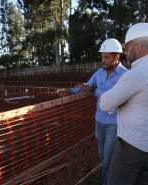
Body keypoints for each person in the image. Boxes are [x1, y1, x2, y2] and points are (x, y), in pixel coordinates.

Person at [57, 38, 128, 185]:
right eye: (102, 57)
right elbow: (86, 86)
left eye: (107, 57)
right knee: (103, 156)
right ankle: (107, 180)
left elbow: (116, 98)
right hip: (99, 121)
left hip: (114, 123)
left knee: (108, 159)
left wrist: (94, 90)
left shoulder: (125, 75)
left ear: (117, 57)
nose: (103, 60)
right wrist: (70, 91)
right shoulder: (99, 73)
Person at [100, 23, 148, 185]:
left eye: (127, 48)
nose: (126, 52)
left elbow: (105, 104)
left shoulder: (137, 74)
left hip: (131, 143)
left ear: (138, 46)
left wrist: (117, 97)